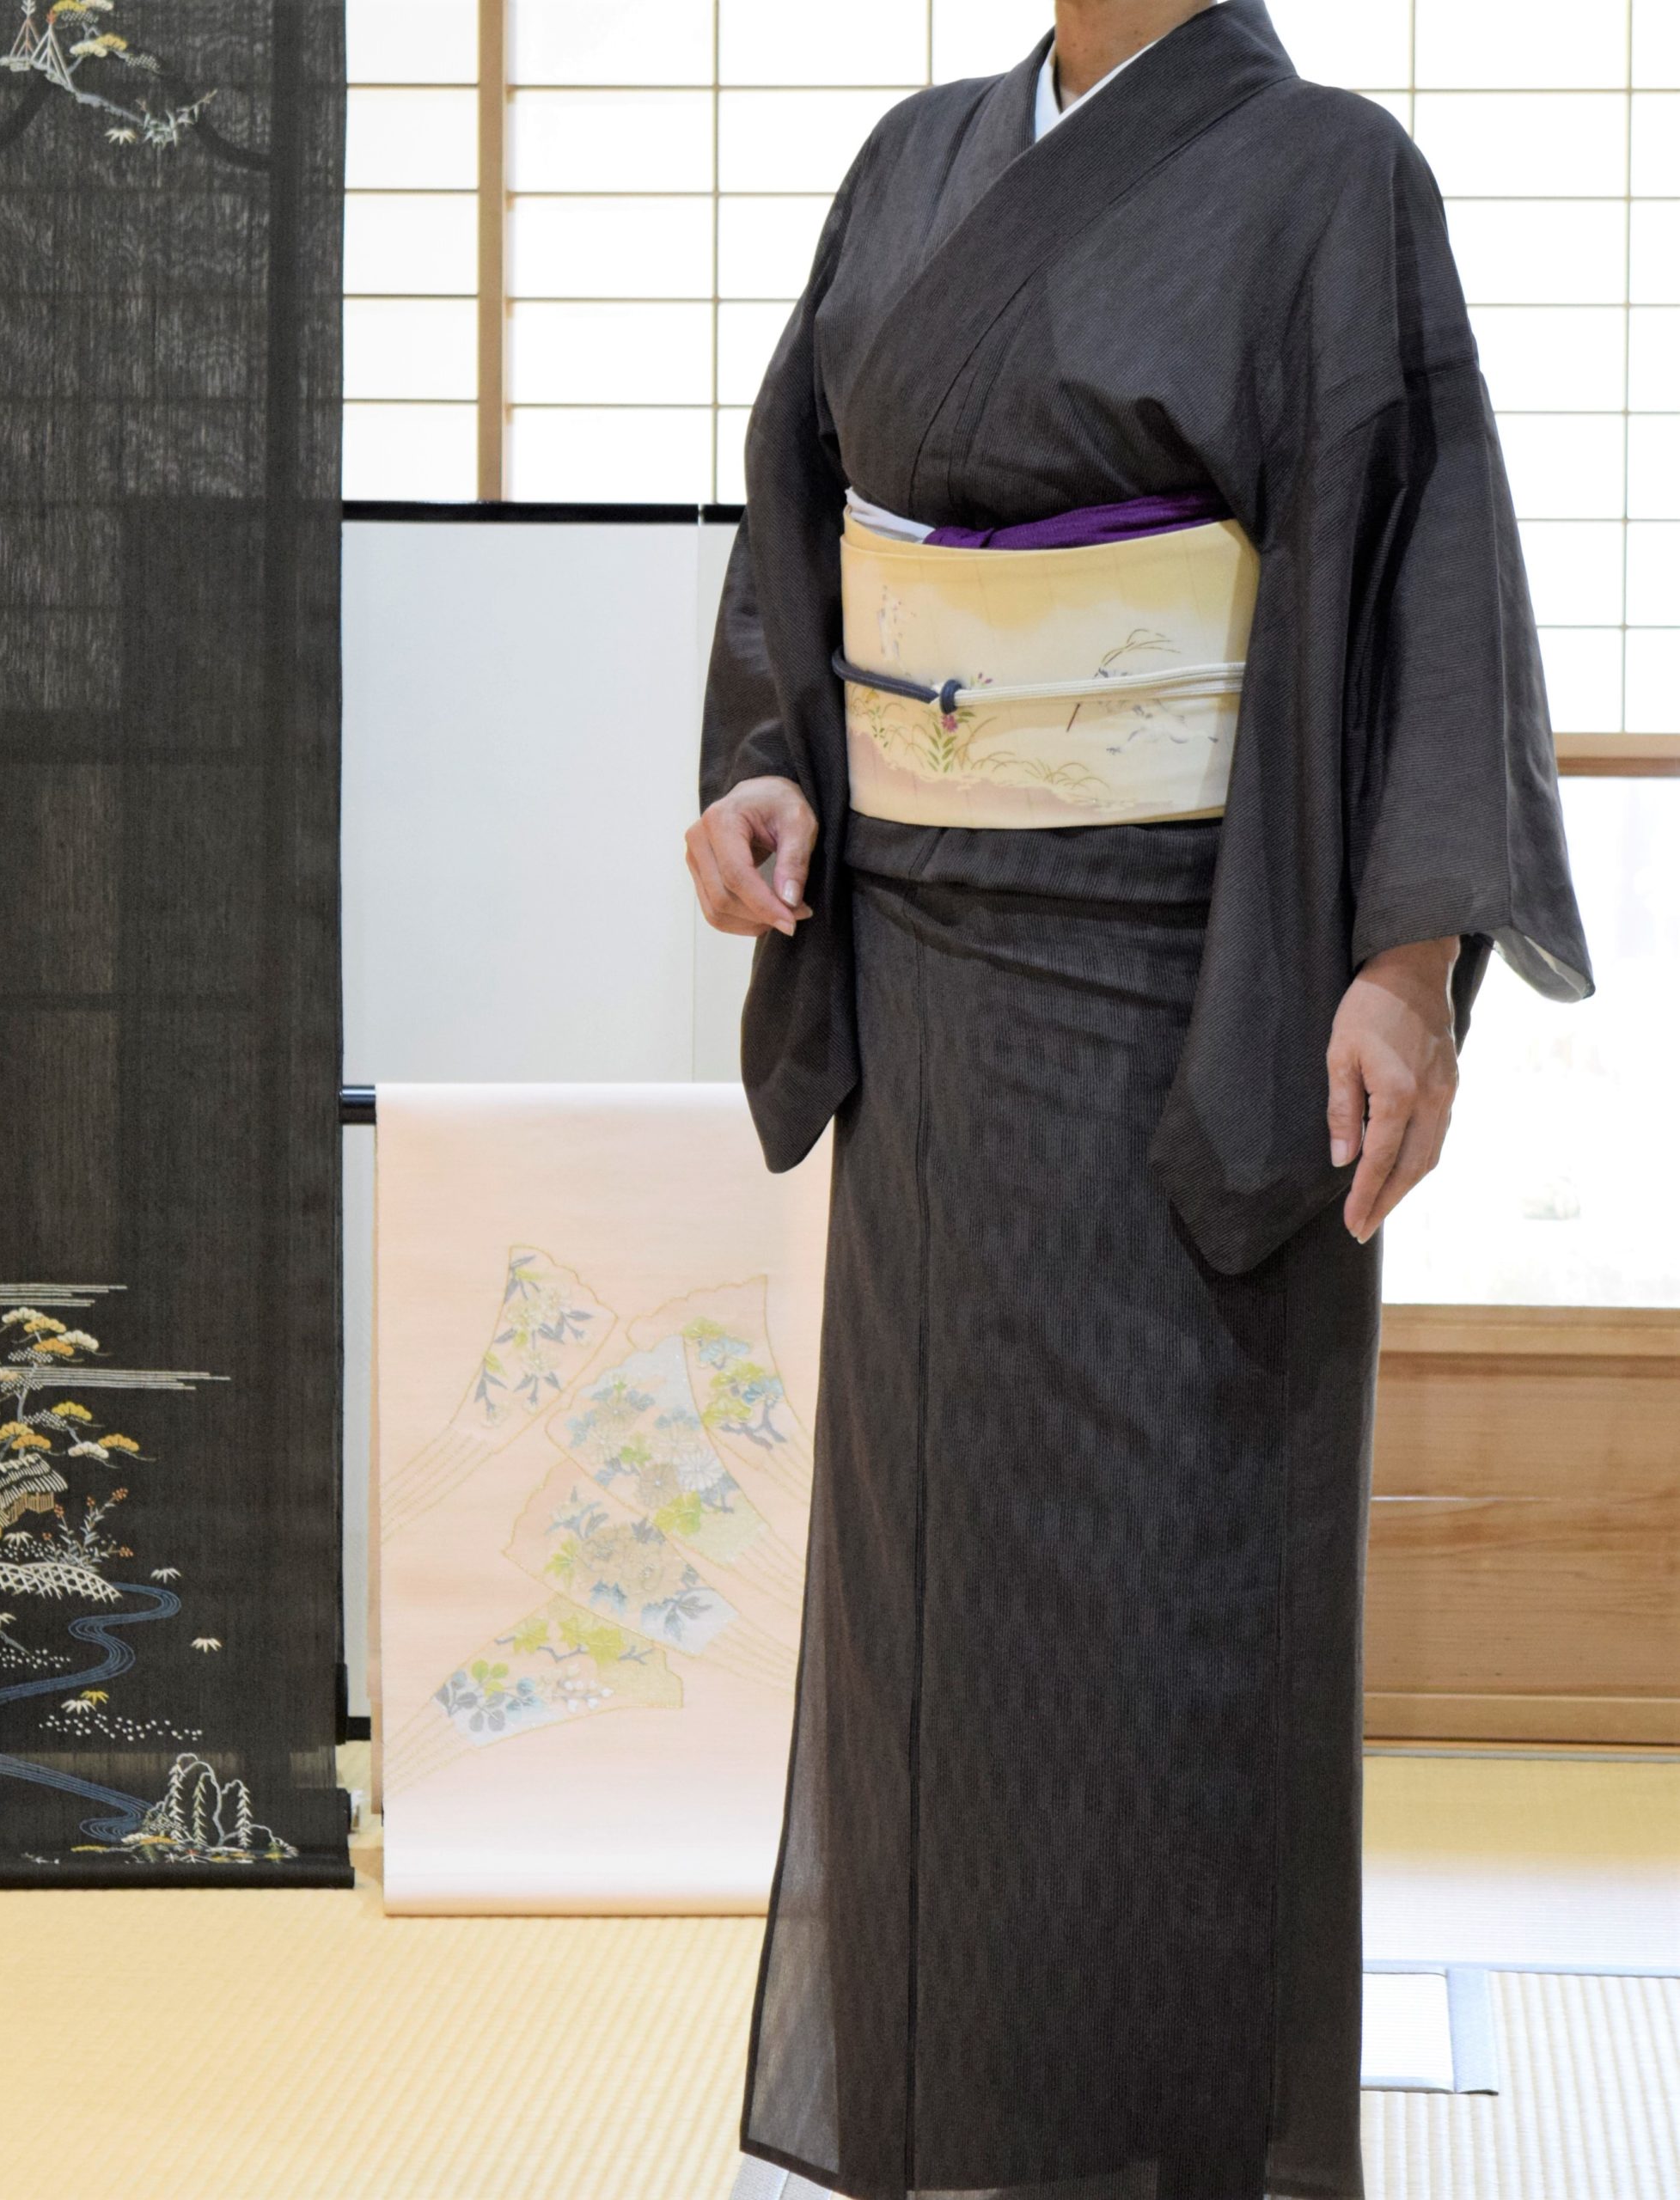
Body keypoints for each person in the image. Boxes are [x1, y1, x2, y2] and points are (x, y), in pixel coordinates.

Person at [687, 4, 1592, 2197]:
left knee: (1170, 1573)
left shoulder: (1329, 175)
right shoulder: (913, 160)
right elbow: (803, 512)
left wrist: (1403, 962)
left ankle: (1170, 2139)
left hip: (1194, 980)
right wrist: (764, 761)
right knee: (934, 1586)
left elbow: (1425, 569)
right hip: (926, 980)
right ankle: (952, 2117)